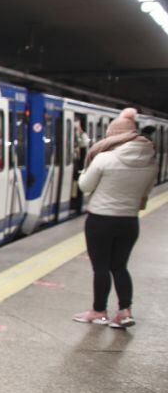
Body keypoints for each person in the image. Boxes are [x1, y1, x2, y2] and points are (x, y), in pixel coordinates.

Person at [72, 108, 156, 329]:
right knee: (120, 266)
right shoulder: (150, 161)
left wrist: (85, 171)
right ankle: (125, 311)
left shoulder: (104, 158)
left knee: (100, 267)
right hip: (129, 222)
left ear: (114, 135)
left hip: (101, 220)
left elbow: (85, 186)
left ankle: (99, 311)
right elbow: (145, 192)